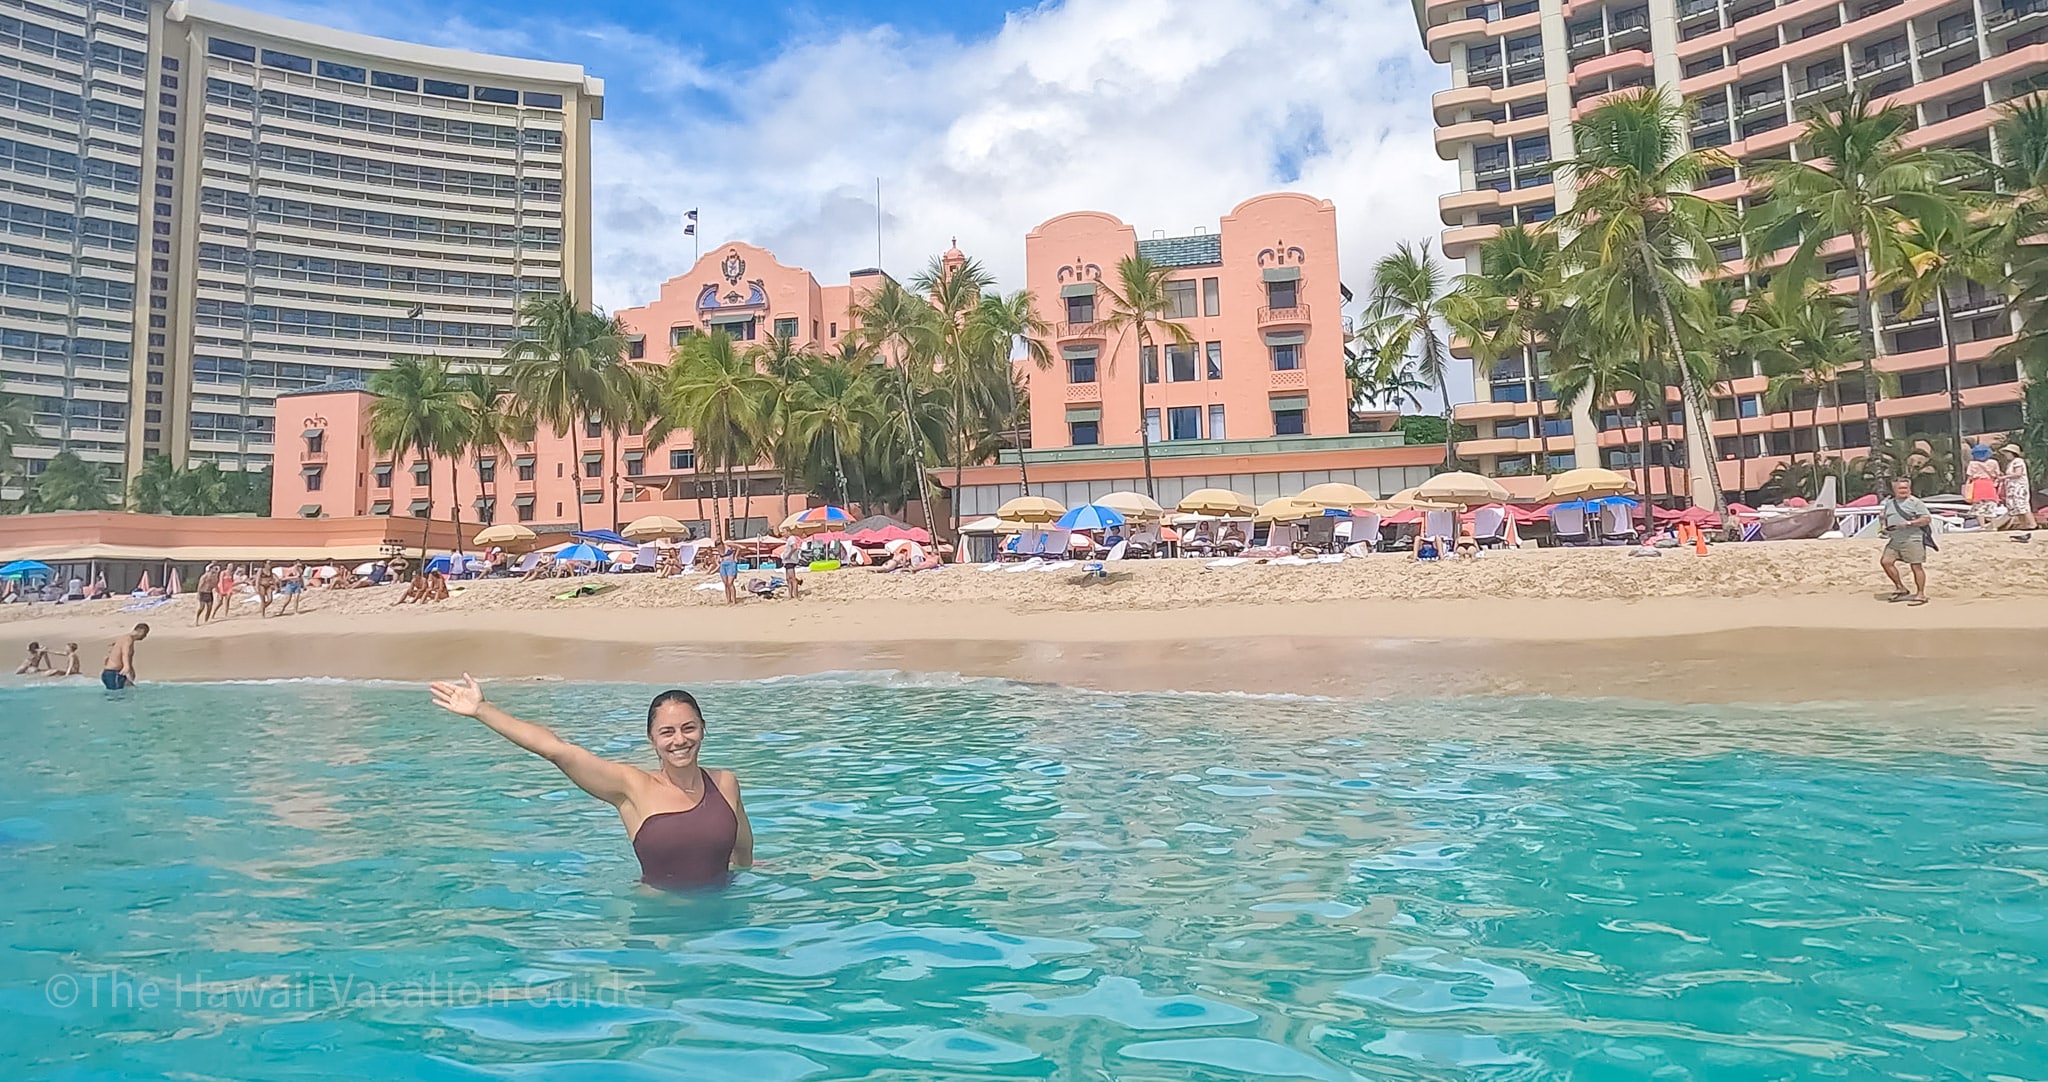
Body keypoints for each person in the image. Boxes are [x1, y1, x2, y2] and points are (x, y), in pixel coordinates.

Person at [428, 678, 753, 890]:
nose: (680, 740)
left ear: (703, 729)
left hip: (723, 925)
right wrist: (483, 710)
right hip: (660, 931)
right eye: (667, 732)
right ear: (652, 740)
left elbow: (743, 857)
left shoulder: (725, 783)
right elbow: (557, 749)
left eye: (689, 728)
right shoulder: (631, 787)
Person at [1879, 476, 1932, 605]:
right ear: (1894, 489)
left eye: (1906, 488)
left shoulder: (1915, 502)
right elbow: (1883, 517)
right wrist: (1884, 527)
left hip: (1913, 539)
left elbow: (1926, 519)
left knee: (1916, 566)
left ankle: (1920, 594)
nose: (1904, 490)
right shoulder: (1890, 503)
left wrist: (1909, 523)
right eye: (1900, 488)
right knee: (1886, 562)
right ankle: (1900, 587)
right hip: (1895, 539)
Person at [100, 623, 148, 689]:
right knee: (117, 696)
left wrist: (131, 669)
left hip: (113, 673)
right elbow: (125, 653)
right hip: (113, 673)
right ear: (141, 631)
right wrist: (126, 666)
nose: (145, 636)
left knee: (131, 688)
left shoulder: (123, 638)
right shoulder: (128, 639)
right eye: (145, 634)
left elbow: (115, 651)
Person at [1966, 443, 2004, 525]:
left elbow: (1970, 477)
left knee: (1979, 507)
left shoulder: (1972, 464)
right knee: (1991, 506)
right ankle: (1993, 526)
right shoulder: (1994, 462)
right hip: (1989, 484)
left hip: (1978, 484)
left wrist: (1966, 489)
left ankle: (1982, 526)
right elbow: (1997, 474)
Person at [2004, 446, 2037, 531]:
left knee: (2022, 504)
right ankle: (2024, 524)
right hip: (2012, 487)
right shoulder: (2011, 463)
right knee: (2016, 506)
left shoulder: (2018, 461)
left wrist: (2004, 477)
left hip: (2019, 487)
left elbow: (2018, 474)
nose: (2006, 455)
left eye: (2008, 453)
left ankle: (2032, 523)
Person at [781, 534, 803, 600]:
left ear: (788, 532)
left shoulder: (791, 538)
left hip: (790, 561)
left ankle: (796, 596)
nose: (783, 534)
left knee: (792, 579)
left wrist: (789, 555)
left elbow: (794, 547)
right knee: (788, 579)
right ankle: (790, 595)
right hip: (787, 561)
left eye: (784, 532)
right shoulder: (789, 539)